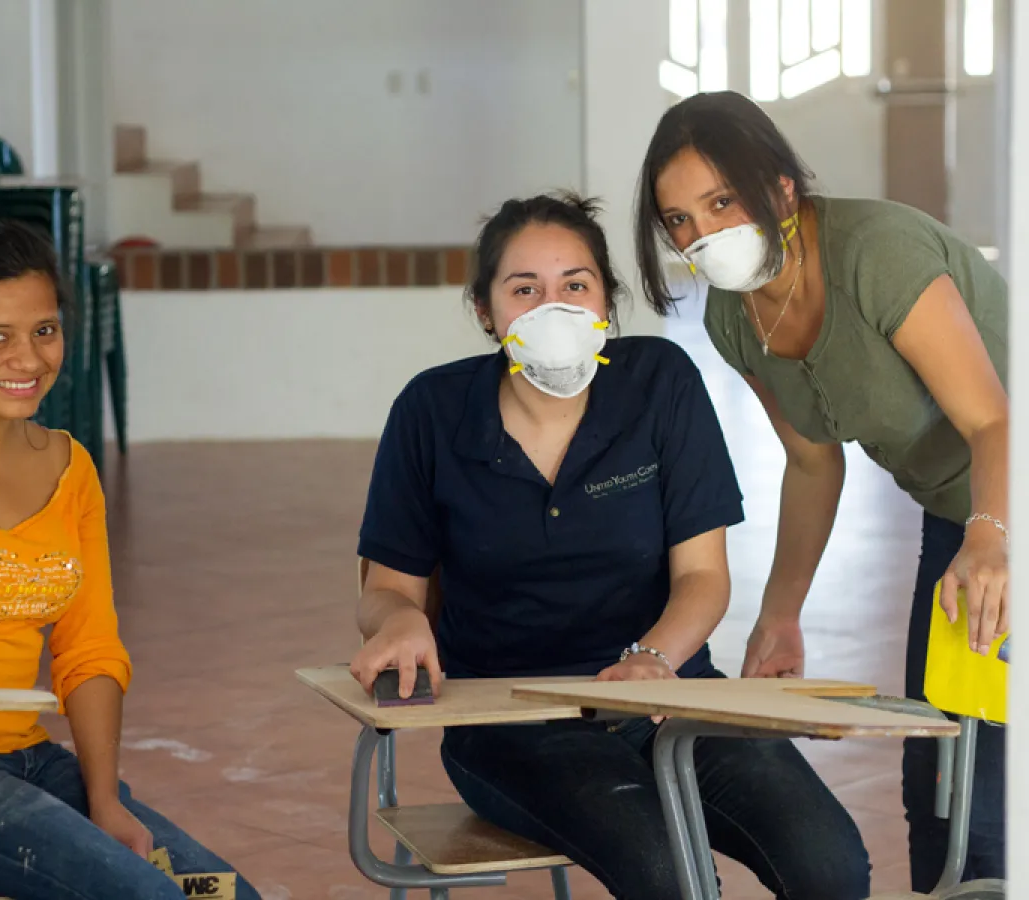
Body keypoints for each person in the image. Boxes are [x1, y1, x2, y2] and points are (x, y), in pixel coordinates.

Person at [349, 192, 871, 899]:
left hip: (669, 696)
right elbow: (387, 589)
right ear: (485, 311)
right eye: (524, 290)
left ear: (606, 301)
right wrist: (401, 621)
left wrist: (653, 659)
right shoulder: (432, 411)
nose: (553, 308)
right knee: (668, 877)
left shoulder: (659, 383)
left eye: (575, 285)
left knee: (829, 865)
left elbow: (703, 577)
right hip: (511, 720)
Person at [633, 90, 1007, 891]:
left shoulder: (877, 253)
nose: (702, 235)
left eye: (721, 202)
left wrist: (990, 539)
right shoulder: (734, 318)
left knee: (986, 789)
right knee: (939, 780)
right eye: (679, 220)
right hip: (960, 515)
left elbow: (994, 422)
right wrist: (780, 613)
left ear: (780, 187)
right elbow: (812, 461)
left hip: (1000, 504)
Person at [0, 218, 261, 900]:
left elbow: (90, 649)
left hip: (27, 761)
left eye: (44, 330)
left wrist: (104, 799)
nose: (27, 360)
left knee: (225, 894)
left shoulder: (70, 467)